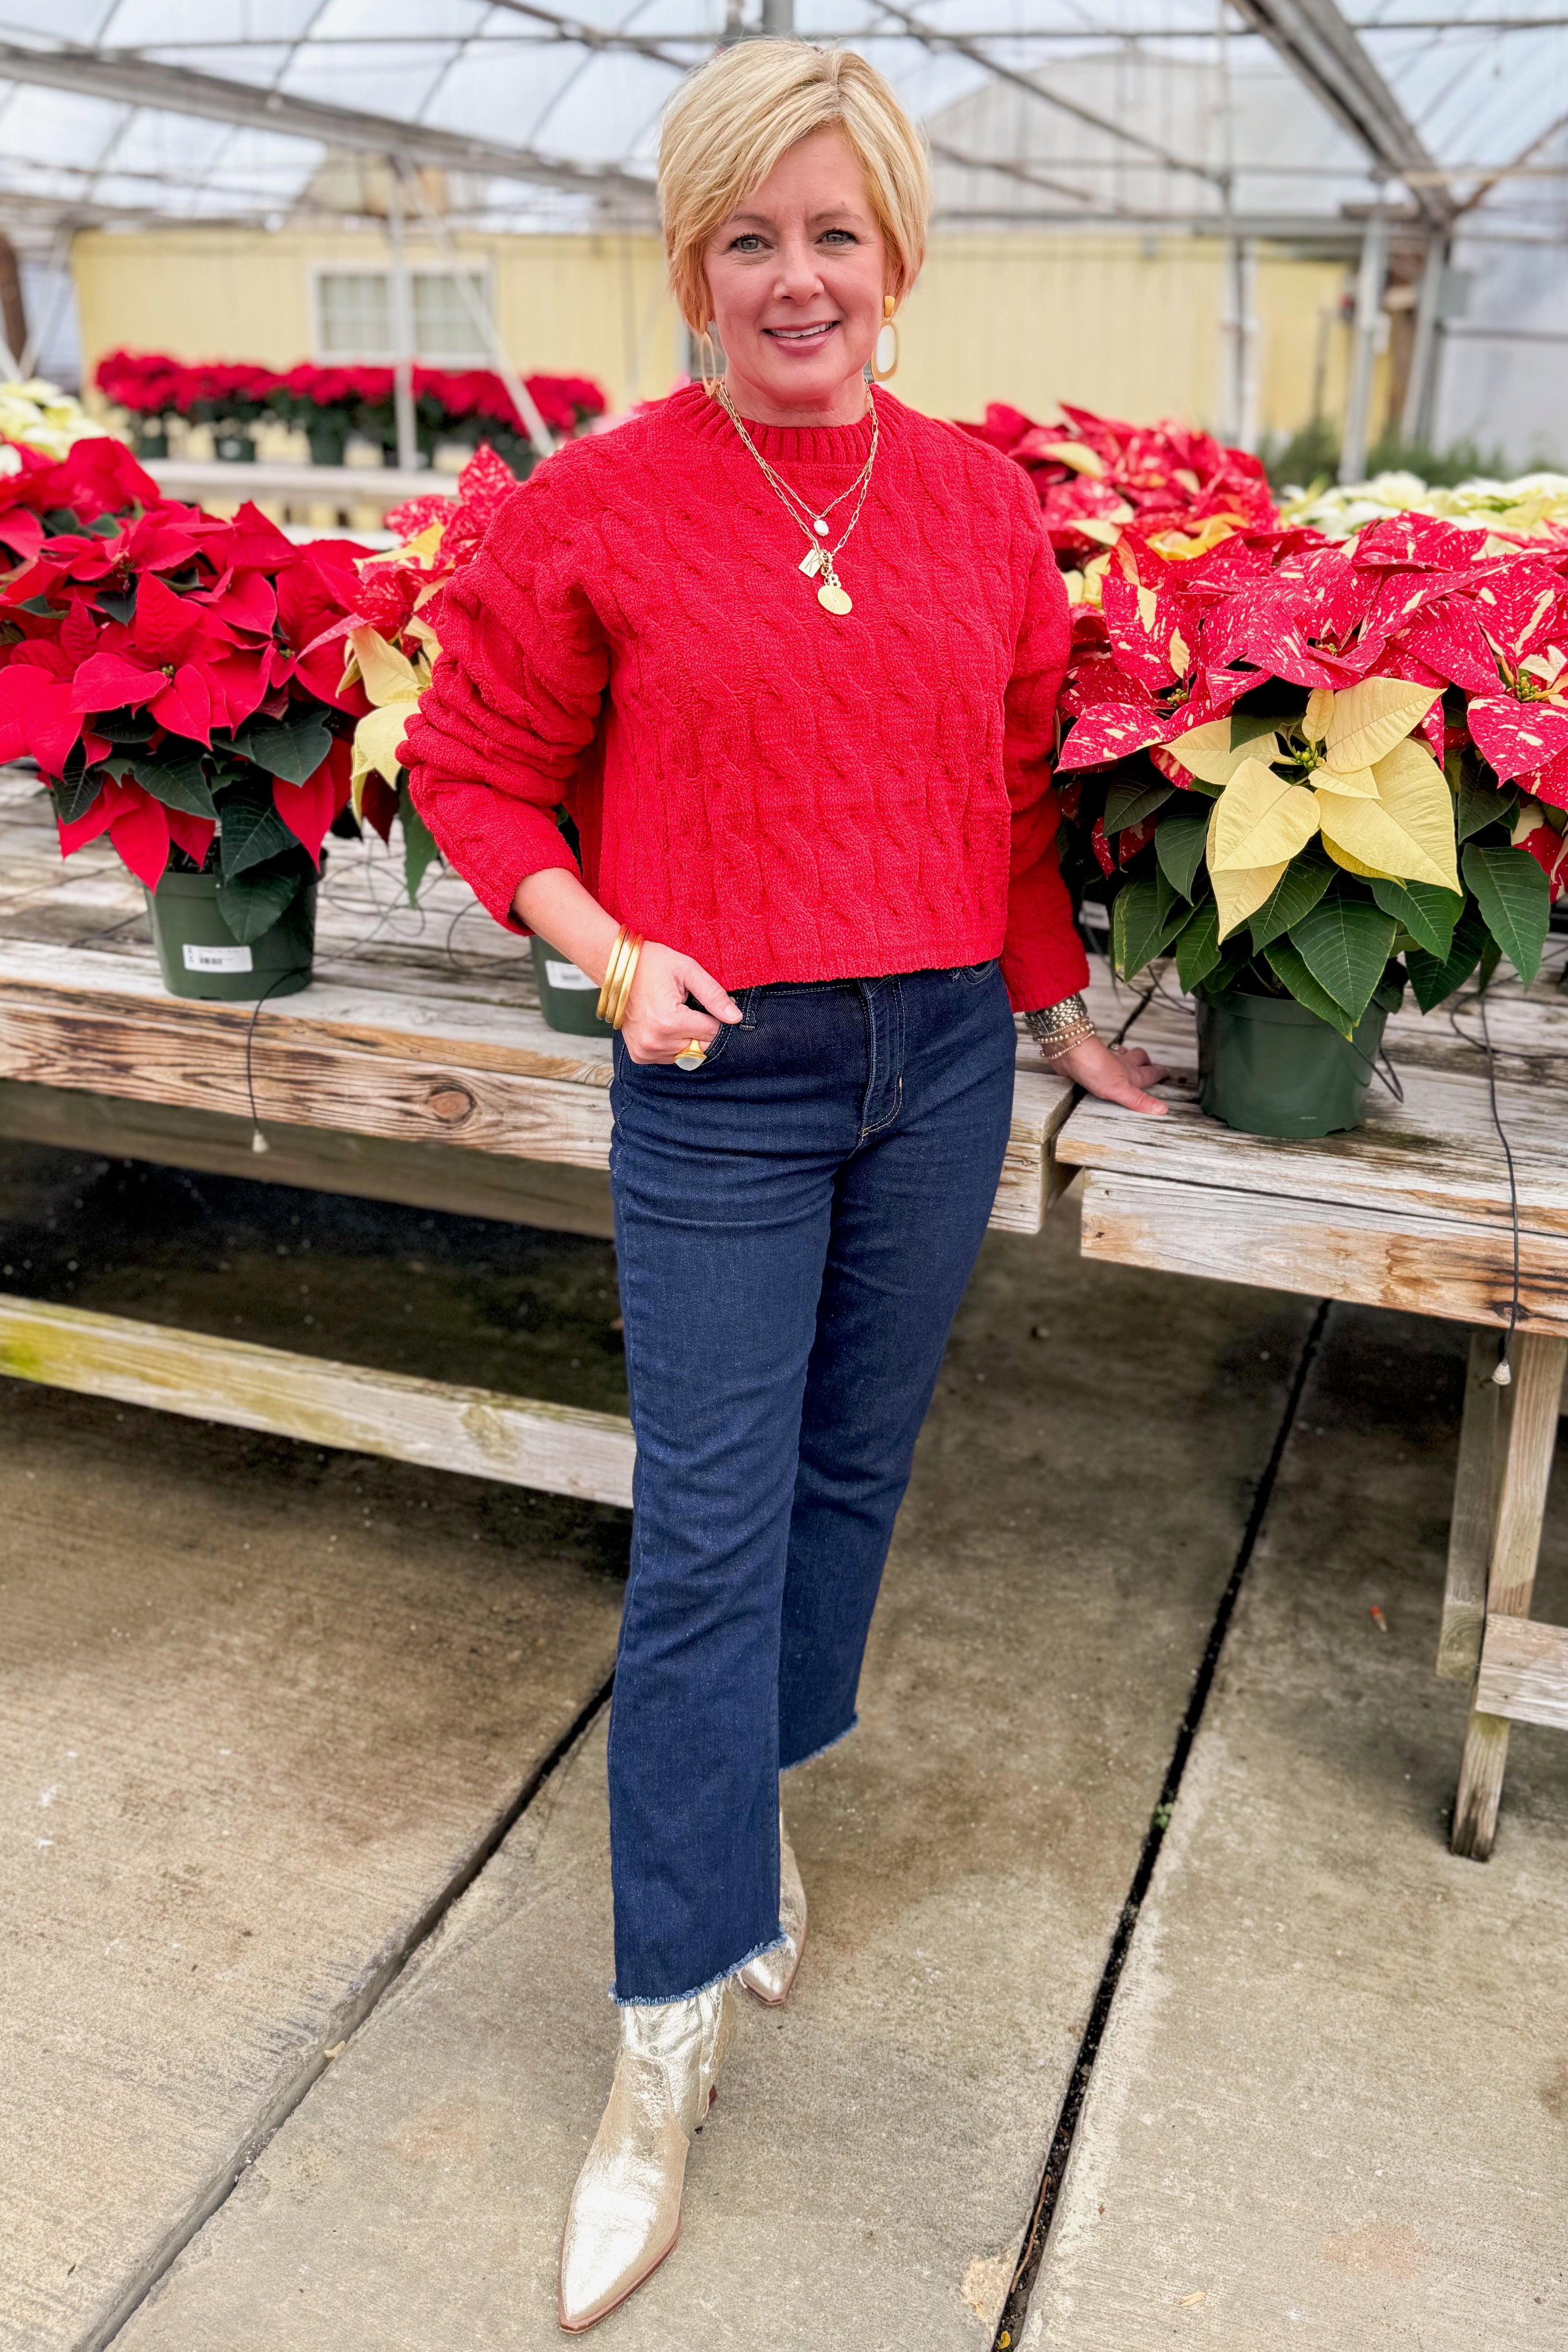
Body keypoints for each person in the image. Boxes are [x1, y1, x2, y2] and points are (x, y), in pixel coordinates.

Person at [402, 37, 1166, 2333]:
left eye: (835, 232)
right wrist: (607, 950)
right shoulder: (598, 505)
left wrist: (1055, 1019)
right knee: (707, 1536)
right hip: (718, 1066)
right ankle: (656, 2042)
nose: (797, 276)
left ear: (894, 253)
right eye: (750, 236)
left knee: (849, 1475)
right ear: (692, 265)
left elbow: (1007, 799)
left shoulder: (981, 507)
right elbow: (473, 772)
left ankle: (752, 1816)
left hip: (934, 1064)